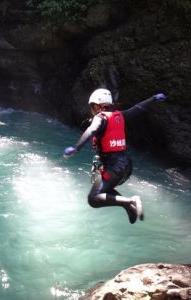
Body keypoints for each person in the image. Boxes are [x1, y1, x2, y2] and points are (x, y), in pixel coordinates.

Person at [63, 88, 166, 224]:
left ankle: (131, 201)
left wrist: (76, 148)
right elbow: (138, 108)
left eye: (92, 106)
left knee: (93, 199)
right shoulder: (120, 116)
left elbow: (91, 130)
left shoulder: (100, 118)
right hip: (126, 167)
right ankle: (128, 206)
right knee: (105, 190)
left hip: (114, 168)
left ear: (96, 105)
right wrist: (154, 99)